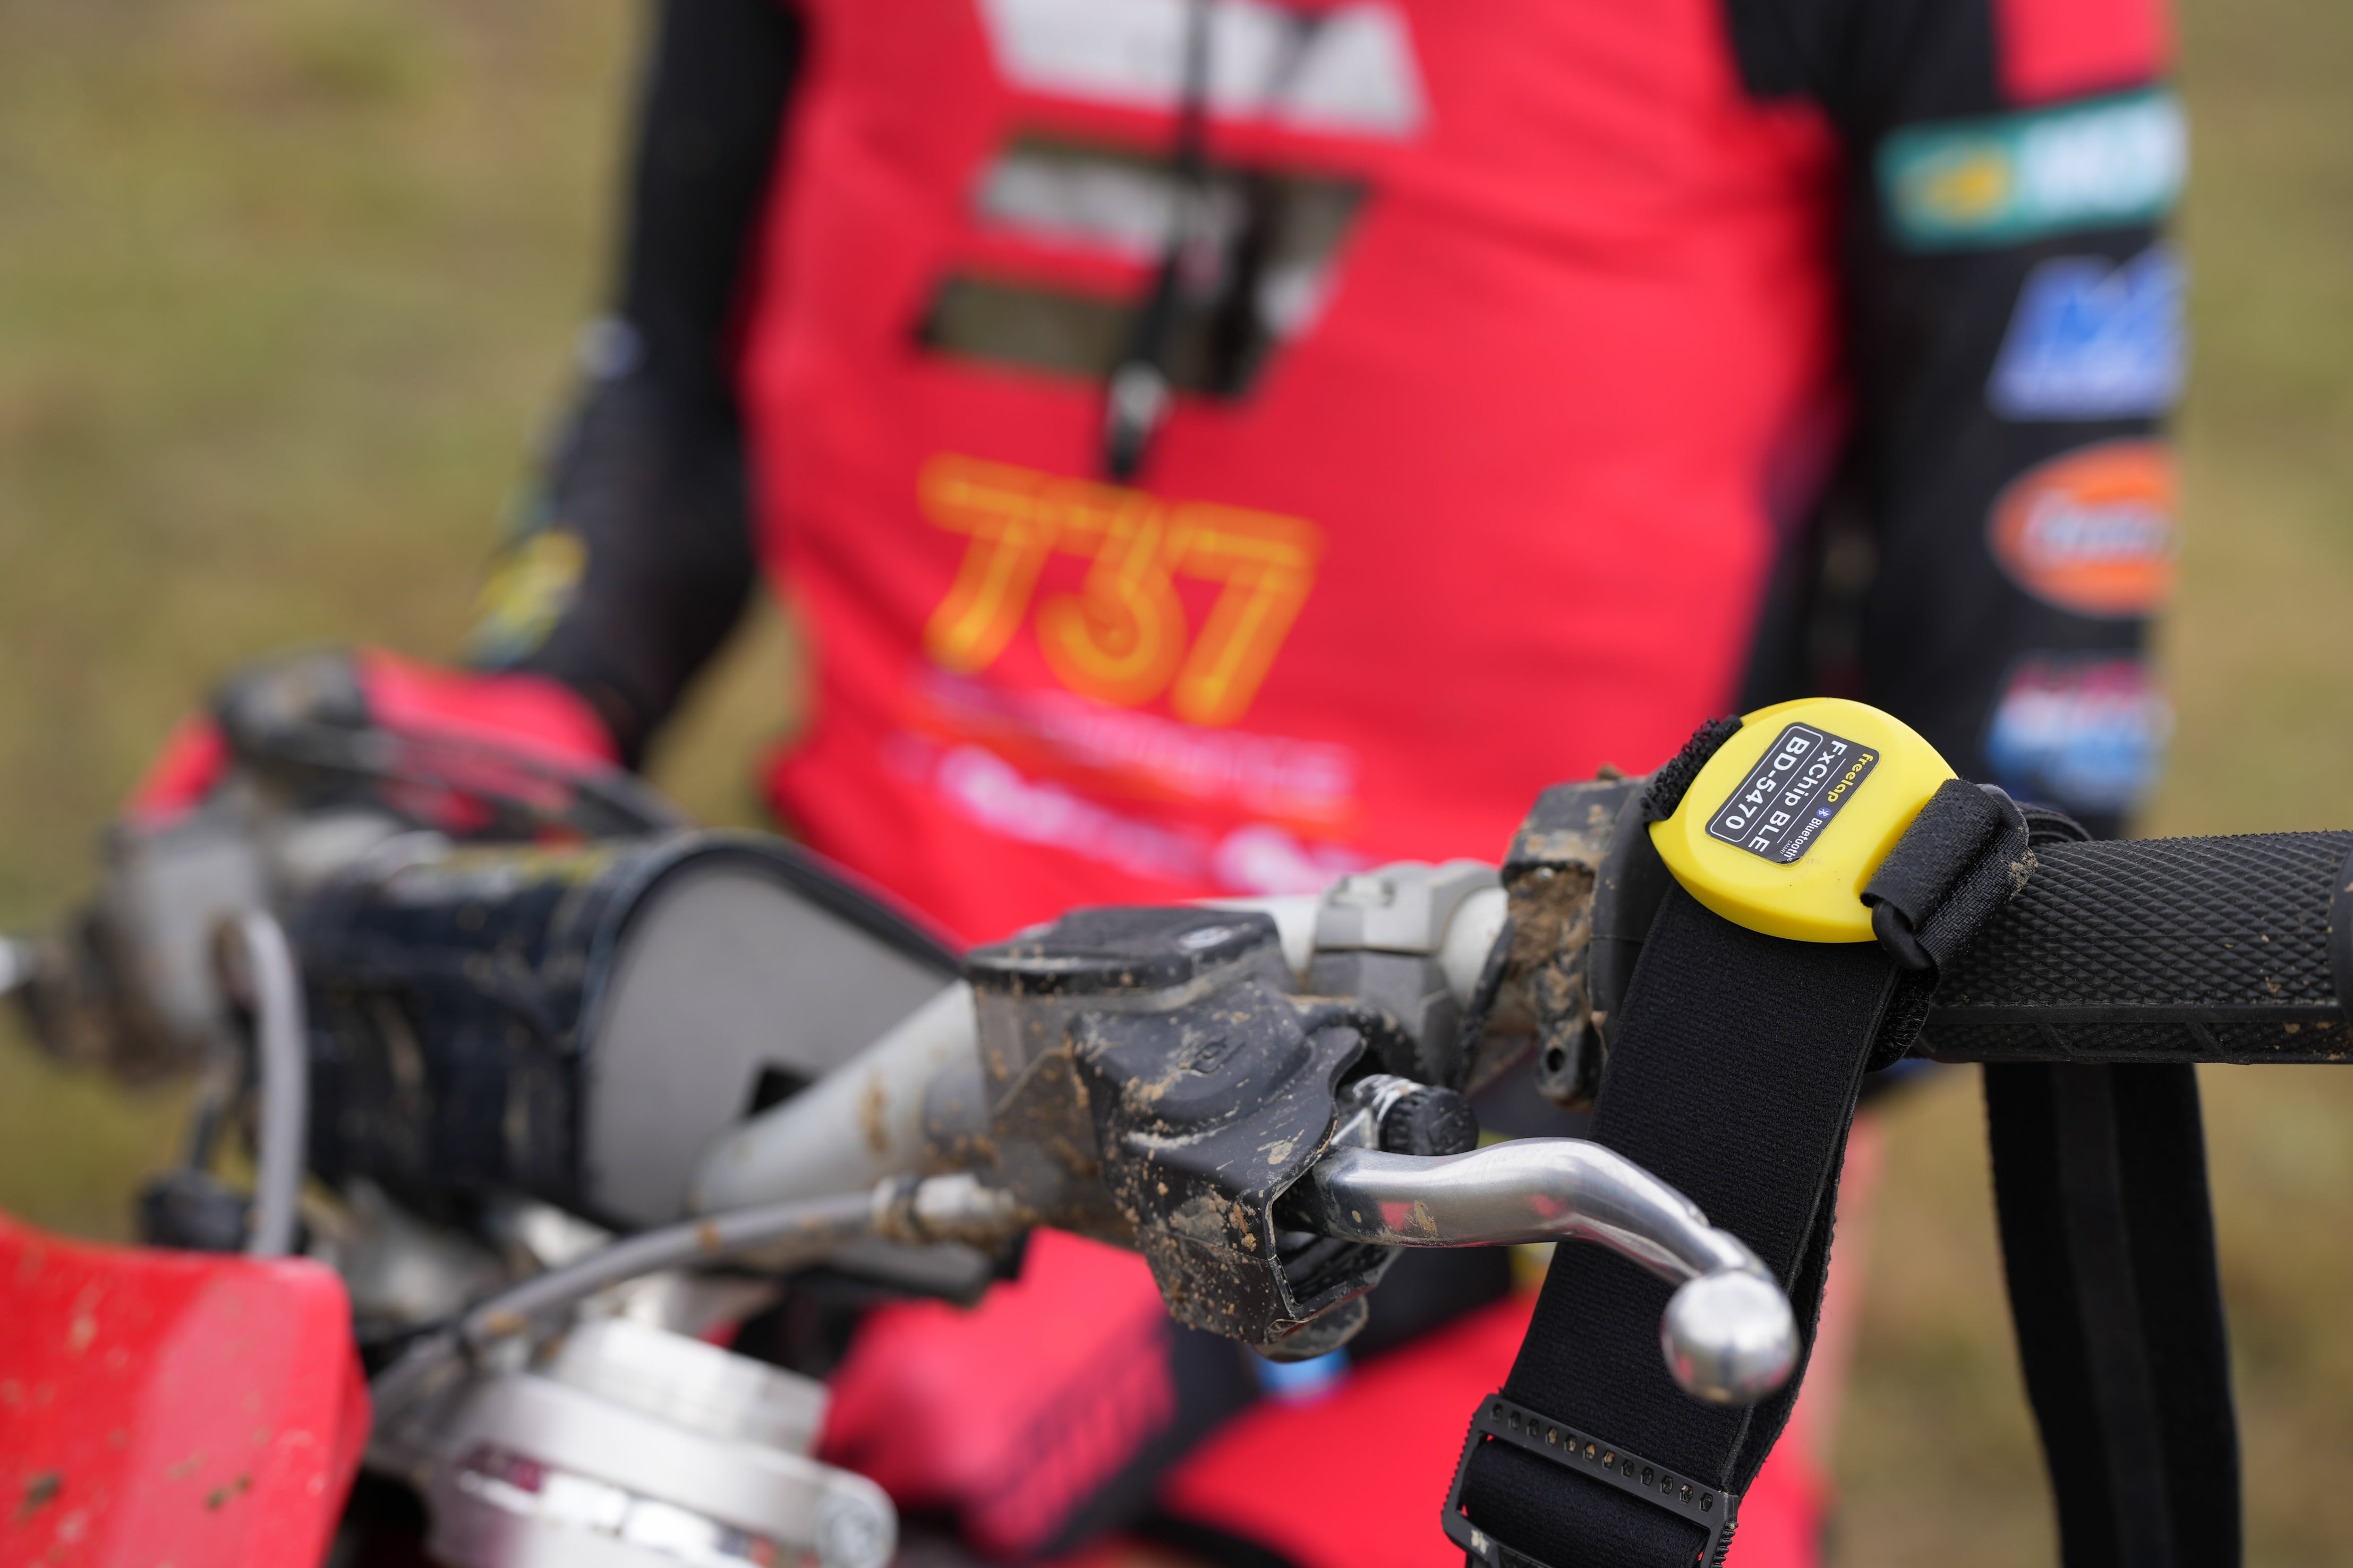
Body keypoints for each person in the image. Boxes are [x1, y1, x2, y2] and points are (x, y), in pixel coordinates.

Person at [137, 0, 2185, 1562]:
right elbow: (676, 372)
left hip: (1504, 1231)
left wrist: (1221, 1316)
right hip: (821, 1079)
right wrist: (531, 702)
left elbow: (1994, 844)